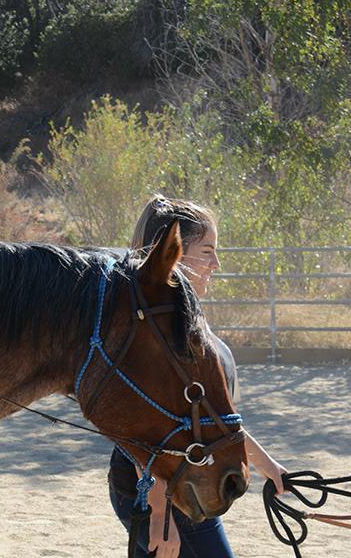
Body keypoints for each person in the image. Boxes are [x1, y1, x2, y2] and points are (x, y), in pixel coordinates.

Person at [108, 195, 287, 558]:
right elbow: (146, 433)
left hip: (192, 484)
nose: (216, 264)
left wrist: (268, 465)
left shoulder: (187, 324)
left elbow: (215, 421)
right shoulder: (155, 336)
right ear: (174, 254)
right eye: (207, 252)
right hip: (167, 491)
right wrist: (161, 513)